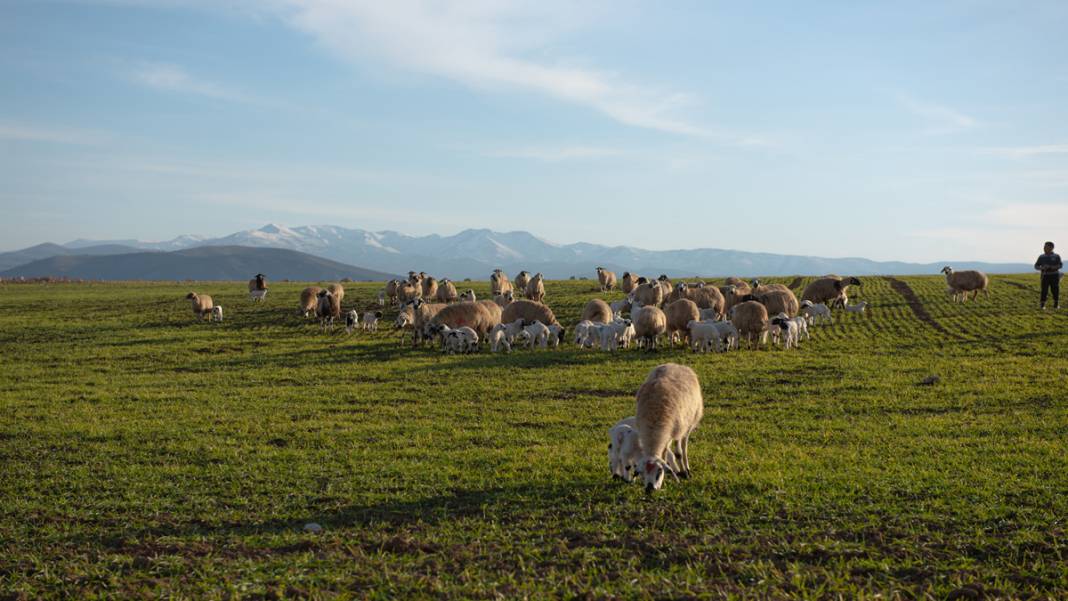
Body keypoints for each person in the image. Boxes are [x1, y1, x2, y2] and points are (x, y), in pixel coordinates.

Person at [1034, 241, 1062, 310]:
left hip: (1054, 276)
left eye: (1046, 247)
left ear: (1051, 247)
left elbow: (1060, 265)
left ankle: (1056, 304)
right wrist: (1042, 268)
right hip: (1045, 276)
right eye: (1044, 247)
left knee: (1055, 290)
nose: (1044, 248)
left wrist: (1051, 267)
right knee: (1044, 290)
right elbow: (1036, 266)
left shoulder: (1056, 256)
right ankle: (1042, 305)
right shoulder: (1041, 256)